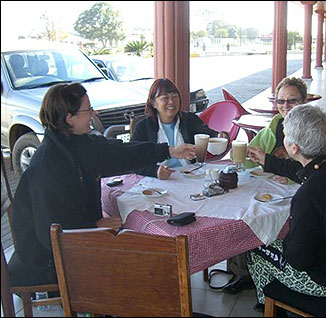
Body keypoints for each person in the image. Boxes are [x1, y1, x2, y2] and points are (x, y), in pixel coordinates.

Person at [8, 82, 196, 287]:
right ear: (69, 118)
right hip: (47, 263)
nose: (93, 113)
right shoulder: (49, 164)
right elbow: (50, 232)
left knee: (144, 253)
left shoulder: (76, 142)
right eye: (88, 109)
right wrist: (93, 227)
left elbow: (122, 153)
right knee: (142, 267)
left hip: (78, 240)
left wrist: (169, 151)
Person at [246, 105, 326, 311]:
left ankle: (270, 306)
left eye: (285, 135)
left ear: (293, 148)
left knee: (256, 246)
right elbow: (300, 171)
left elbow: (298, 260)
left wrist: (280, 238)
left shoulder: (307, 196)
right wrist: (267, 161)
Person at [223, 77, 308, 295]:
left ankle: (273, 269)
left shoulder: (313, 131)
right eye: (281, 101)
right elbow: (251, 158)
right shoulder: (274, 126)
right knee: (244, 211)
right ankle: (246, 272)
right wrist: (240, 154)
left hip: (301, 194)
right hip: (270, 191)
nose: (285, 106)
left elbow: (319, 169)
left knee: (260, 216)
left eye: (292, 101)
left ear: (304, 101)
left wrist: (288, 177)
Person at [131, 78, 229, 180]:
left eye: (174, 96)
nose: (171, 101)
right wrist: (154, 171)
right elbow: (133, 160)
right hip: (156, 180)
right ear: (153, 103)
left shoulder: (190, 120)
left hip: (190, 176)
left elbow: (209, 135)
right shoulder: (143, 127)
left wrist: (221, 136)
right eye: (165, 98)